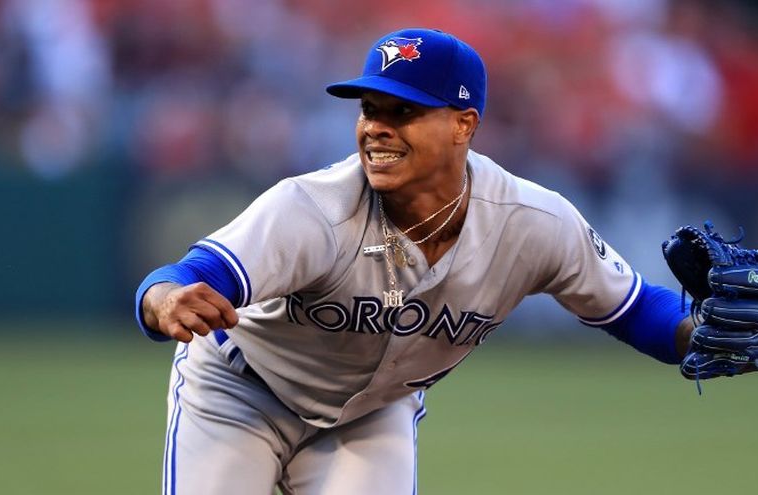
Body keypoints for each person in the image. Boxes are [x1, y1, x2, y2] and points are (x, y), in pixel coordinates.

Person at [135, 28, 698, 495]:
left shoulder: (531, 222)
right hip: (240, 393)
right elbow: (186, 277)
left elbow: (635, 309)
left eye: (403, 111)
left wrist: (698, 334)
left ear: (463, 124)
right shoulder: (313, 210)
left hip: (371, 414)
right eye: (370, 109)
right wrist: (164, 301)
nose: (375, 127)